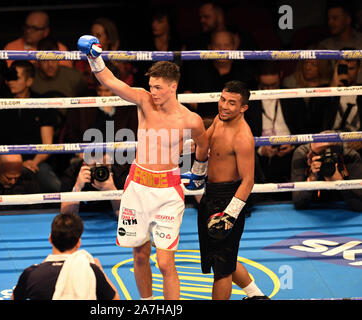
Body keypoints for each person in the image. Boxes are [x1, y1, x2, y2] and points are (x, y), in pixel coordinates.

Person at [78, 35, 209, 300]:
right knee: (139, 255)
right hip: (137, 186)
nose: (154, 92)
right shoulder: (143, 100)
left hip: (168, 191)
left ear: (173, 86)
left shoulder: (191, 120)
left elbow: (203, 146)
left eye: (159, 87)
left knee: (164, 263)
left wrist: (199, 172)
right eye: (151, 86)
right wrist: (94, 58)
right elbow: (110, 81)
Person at [195, 80, 268, 300]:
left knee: (222, 270)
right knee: (221, 257)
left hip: (228, 199)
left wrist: (229, 215)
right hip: (210, 194)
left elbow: (248, 181)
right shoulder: (219, 119)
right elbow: (204, 144)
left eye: (232, 103)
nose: (224, 106)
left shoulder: (242, 137)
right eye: (223, 99)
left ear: (243, 107)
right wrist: (195, 170)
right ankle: (256, 296)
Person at [12, 213, 119, 300]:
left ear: (50, 239)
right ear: (78, 243)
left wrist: (41, 267)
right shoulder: (91, 271)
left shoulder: (31, 273)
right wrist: (100, 270)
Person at [245, 61, 307, 189]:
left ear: (281, 75)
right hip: (259, 149)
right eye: (265, 86)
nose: (270, 90)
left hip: (290, 148)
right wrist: (260, 149)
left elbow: (305, 128)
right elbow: (244, 133)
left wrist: (293, 144)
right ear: (257, 79)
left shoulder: (294, 97)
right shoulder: (249, 100)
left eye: (273, 85)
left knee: (299, 155)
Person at [2, 60, 60, 193]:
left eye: (16, 77)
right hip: (6, 162)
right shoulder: (0, 104)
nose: (11, 81)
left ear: (29, 81)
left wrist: (32, 163)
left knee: (56, 187)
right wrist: (17, 163)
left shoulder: (42, 104)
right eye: (9, 77)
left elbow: (47, 145)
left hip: (36, 163)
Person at [181, 30, 255, 119]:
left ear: (234, 47)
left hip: (235, 125)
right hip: (203, 124)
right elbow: (187, 100)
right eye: (217, 45)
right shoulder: (196, 72)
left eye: (226, 45)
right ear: (210, 47)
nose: (222, 50)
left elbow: (249, 107)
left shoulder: (245, 73)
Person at [291, 134, 362, 212]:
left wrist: (341, 183)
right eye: (311, 150)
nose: (309, 155)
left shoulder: (350, 156)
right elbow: (298, 203)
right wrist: (311, 179)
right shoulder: (302, 154)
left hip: (342, 205)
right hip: (314, 205)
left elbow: (359, 205)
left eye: (315, 154)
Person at [60, 152, 129, 217]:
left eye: (104, 167)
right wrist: (77, 187)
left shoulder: (119, 172)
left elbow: (125, 216)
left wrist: (113, 191)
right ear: (85, 163)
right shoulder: (74, 171)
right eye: (94, 167)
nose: (100, 172)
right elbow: (66, 216)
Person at [4, 10, 72, 68]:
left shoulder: (59, 50)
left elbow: (65, 77)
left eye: (34, 28)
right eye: (27, 27)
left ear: (46, 32)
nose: (28, 31)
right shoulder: (11, 48)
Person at [317, 1, 362, 83]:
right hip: (335, 92)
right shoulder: (324, 46)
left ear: (348, 19)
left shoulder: (360, 41)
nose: (330, 22)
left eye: (335, 18)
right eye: (328, 19)